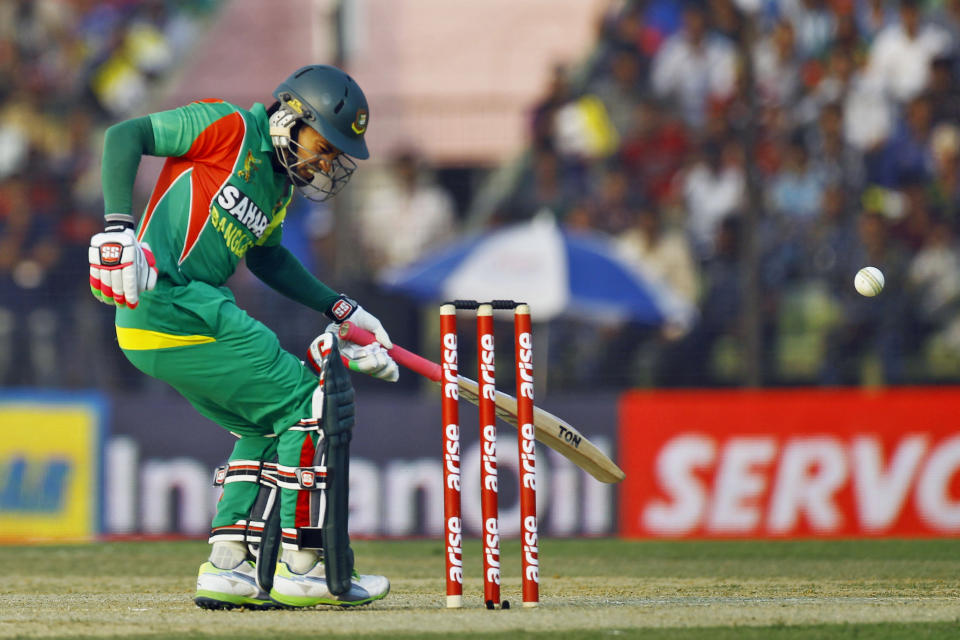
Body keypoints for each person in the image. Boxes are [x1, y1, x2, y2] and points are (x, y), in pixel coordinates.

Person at [87, 65, 398, 609]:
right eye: (323, 144)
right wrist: (118, 225)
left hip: (174, 318)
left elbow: (268, 257)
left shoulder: (277, 187)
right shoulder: (225, 126)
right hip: (172, 301)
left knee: (267, 418)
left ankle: (229, 565)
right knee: (306, 401)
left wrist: (344, 309)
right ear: (291, 117)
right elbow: (124, 135)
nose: (326, 162)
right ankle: (303, 563)